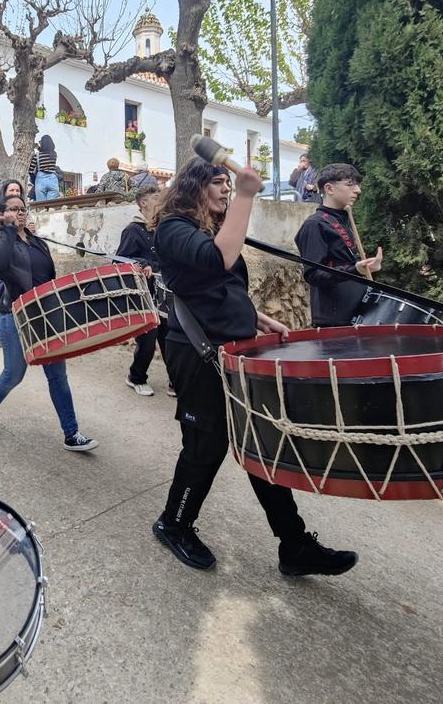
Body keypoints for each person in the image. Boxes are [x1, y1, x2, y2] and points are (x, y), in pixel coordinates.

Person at [151, 156, 358, 577]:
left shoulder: (210, 229)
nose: (227, 189)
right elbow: (217, 262)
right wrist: (247, 193)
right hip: (196, 351)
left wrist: (256, 317)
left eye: (230, 185)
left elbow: (221, 286)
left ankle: (294, 544)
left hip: (232, 344)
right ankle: (174, 523)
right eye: (218, 183)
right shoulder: (173, 227)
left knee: (262, 445)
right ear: (194, 187)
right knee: (205, 447)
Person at [0, 192, 97, 451]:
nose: (19, 212)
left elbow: (49, 276)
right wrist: (10, 230)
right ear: (3, 214)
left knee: (58, 376)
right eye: (12, 209)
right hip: (13, 315)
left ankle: (72, 433)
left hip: (46, 315)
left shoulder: (38, 242)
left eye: (22, 208)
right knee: (13, 374)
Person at [293, 163, 382, 327]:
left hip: (357, 316)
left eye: (357, 184)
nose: (358, 190)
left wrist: (365, 268)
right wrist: (354, 270)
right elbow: (314, 275)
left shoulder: (345, 219)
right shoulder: (314, 225)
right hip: (334, 322)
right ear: (329, 188)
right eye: (350, 184)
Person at [116, 185, 174, 398]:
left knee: (170, 339)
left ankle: (175, 381)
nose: (161, 200)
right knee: (148, 341)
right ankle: (136, 377)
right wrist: (143, 263)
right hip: (144, 295)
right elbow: (119, 260)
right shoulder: (133, 229)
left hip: (165, 295)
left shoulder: (161, 228)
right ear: (143, 202)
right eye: (156, 197)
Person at [0, 178, 24, 348]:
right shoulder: (3, 214)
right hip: (5, 261)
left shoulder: (21, 211)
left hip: (20, 260)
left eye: (17, 191)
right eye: (12, 191)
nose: (15, 193)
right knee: (2, 296)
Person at [29, 135, 61, 201]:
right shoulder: (54, 154)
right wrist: (38, 147)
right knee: (50, 205)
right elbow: (46, 150)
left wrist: (34, 180)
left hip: (40, 181)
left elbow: (31, 170)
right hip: (52, 180)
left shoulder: (37, 155)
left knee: (42, 205)